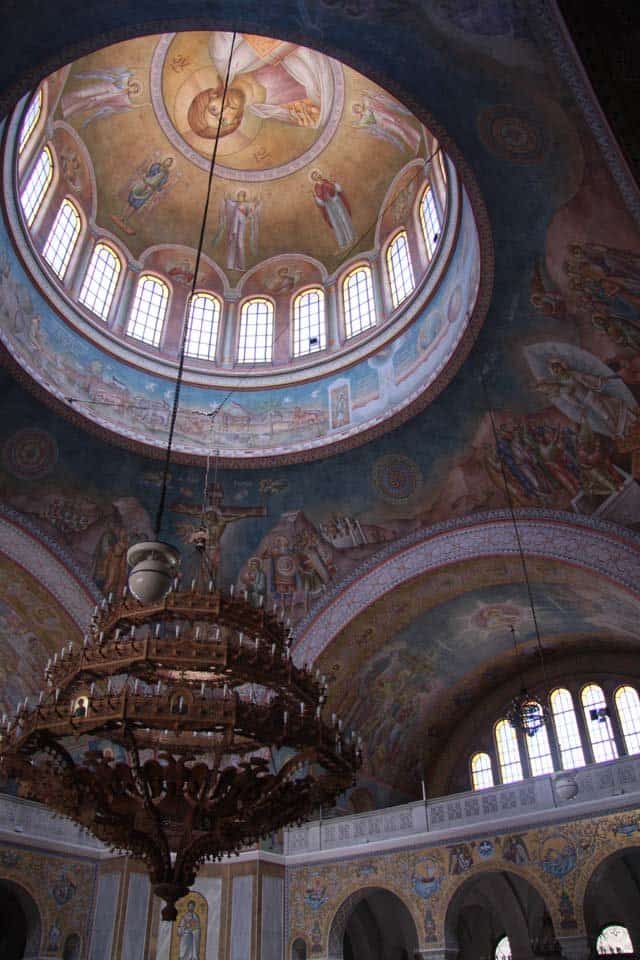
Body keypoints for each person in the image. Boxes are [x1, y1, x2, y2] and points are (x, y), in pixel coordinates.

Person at [311, 170, 356, 249]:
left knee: (344, 218)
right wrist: (315, 197)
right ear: (314, 178)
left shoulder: (327, 181)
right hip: (329, 206)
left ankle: (352, 238)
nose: (317, 176)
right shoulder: (316, 188)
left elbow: (338, 190)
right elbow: (321, 203)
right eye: (315, 176)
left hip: (336, 201)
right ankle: (343, 243)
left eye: (317, 174)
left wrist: (334, 182)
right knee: (336, 223)